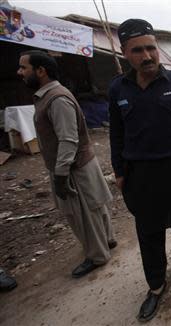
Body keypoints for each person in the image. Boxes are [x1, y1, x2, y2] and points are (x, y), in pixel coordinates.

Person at [108, 19, 171, 322]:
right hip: (140, 175)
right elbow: (116, 134)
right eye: (138, 50)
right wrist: (119, 170)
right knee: (148, 232)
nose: (148, 55)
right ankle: (156, 286)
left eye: (151, 47)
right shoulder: (118, 88)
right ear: (125, 52)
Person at [17, 50, 116, 279]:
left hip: (73, 168)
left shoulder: (57, 99)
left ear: (41, 71)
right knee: (95, 206)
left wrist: (61, 175)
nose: (20, 72)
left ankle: (98, 256)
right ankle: (107, 240)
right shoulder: (52, 96)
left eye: (24, 67)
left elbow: (68, 139)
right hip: (80, 163)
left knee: (83, 214)